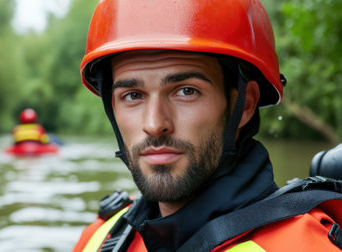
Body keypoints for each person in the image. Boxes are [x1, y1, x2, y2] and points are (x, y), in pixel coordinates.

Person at [73, 0, 342, 251]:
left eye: (186, 91)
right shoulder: (99, 237)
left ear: (245, 105)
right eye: (133, 95)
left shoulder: (304, 245)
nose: (155, 124)